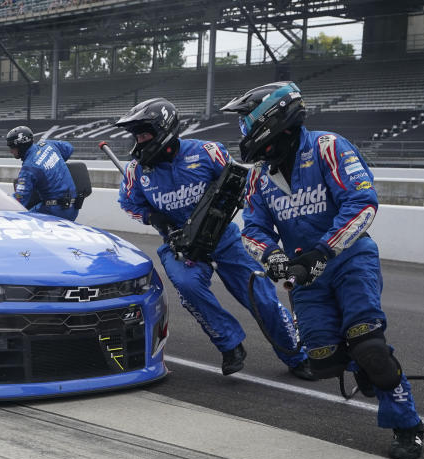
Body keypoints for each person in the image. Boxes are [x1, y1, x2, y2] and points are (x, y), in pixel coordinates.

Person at [221, 81, 424, 459]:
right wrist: (273, 258)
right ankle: (365, 365)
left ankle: (407, 424)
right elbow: (253, 230)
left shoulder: (328, 147)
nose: (243, 132)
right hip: (304, 275)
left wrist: (323, 251)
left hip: (350, 260)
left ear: (271, 118)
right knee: (323, 360)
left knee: (370, 344)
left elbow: (362, 204)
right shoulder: (259, 175)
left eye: (245, 123)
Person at [114, 98, 312, 378]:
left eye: (144, 133)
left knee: (262, 297)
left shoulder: (207, 152)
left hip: (225, 238)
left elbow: (241, 182)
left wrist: (237, 204)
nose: (139, 140)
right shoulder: (136, 171)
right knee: (187, 286)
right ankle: (230, 344)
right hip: (179, 245)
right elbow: (129, 204)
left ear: (163, 129)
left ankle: (296, 355)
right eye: (136, 135)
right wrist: (153, 218)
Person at [6, 126, 78, 221]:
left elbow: (20, 199)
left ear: (21, 147)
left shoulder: (29, 168)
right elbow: (69, 148)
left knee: (21, 221)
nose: (10, 151)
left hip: (54, 212)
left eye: (12, 147)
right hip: (73, 208)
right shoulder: (48, 145)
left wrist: (3, 204)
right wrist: (52, 163)